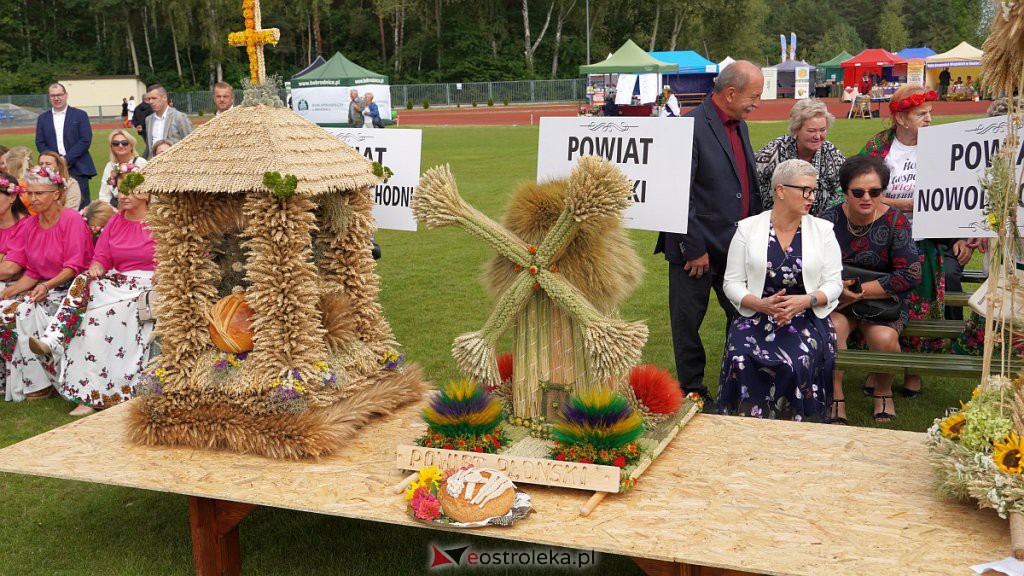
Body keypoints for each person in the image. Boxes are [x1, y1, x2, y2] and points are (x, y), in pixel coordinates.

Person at [654, 60, 764, 404]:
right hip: (696, 250)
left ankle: (740, 382)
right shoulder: (688, 126)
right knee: (688, 324)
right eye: (754, 96)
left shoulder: (740, 125)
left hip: (736, 246)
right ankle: (692, 390)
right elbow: (676, 191)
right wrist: (694, 247)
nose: (757, 103)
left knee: (744, 316)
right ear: (730, 93)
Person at [719, 159, 842, 421]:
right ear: (781, 190)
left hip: (805, 316)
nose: (811, 197)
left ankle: (794, 428)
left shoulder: (823, 231)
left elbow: (834, 284)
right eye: (805, 190)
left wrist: (805, 301)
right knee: (740, 357)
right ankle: (742, 426)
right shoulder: (747, 229)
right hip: (757, 314)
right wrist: (760, 304)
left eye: (814, 190)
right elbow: (731, 282)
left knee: (795, 362)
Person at [30, 165, 155, 416]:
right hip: (115, 281)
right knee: (83, 281)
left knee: (92, 321)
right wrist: (97, 266)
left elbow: (169, 260)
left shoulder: (159, 223)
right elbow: (101, 257)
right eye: (120, 190)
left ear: (146, 193)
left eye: (131, 190)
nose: (124, 196)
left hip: (144, 286)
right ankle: (55, 341)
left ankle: (92, 394)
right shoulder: (116, 222)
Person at [820, 155, 922, 424]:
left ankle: (883, 391)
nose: (867, 198)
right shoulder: (828, 220)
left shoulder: (895, 221)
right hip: (839, 300)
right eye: (858, 192)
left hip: (881, 301)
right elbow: (812, 265)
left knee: (884, 340)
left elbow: (911, 273)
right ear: (845, 192)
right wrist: (837, 290)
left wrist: (859, 290)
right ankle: (836, 395)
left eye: (875, 191)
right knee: (833, 332)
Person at [862, 84, 943, 397]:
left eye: (930, 113)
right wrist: (905, 205)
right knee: (881, 304)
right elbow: (863, 190)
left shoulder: (938, 144)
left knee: (920, 304)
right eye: (921, 114)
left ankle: (914, 372)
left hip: (923, 238)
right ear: (900, 117)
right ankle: (877, 366)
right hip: (883, 238)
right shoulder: (879, 146)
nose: (929, 119)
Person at [0, 166, 92, 402]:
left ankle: (44, 382)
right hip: (45, 287)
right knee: (7, 309)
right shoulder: (30, 225)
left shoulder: (71, 220)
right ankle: (34, 382)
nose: (33, 199)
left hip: (73, 288)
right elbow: (32, 270)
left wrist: (47, 286)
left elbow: (73, 266)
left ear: (57, 193)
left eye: (39, 193)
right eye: (30, 193)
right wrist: (10, 291)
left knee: (21, 311)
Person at [755, 98, 846, 216]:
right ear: (796, 130)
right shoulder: (775, 150)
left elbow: (844, 189)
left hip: (819, 224)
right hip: (776, 222)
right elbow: (750, 181)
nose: (818, 136)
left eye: (822, 130)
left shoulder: (831, 154)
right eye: (811, 131)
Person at [34, 83, 96, 209]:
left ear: (66, 95)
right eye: (53, 96)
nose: (56, 98)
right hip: (52, 170)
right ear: (49, 97)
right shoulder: (42, 118)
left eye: (59, 95)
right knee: (53, 205)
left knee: (81, 206)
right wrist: (53, 160)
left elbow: (85, 140)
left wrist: (65, 159)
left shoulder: (80, 115)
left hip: (78, 166)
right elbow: (40, 142)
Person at [97, 129, 147, 205]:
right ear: (112, 147)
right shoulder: (110, 166)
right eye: (115, 143)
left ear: (131, 145)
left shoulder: (141, 163)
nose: (120, 146)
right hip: (117, 206)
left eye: (125, 143)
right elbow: (104, 196)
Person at [144, 84, 193, 158]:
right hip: (155, 165)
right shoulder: (148, 120)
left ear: (164, 98)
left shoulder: (179, 117)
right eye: (149, 99)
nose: (151, 101)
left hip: (175, 164)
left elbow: (191, 142)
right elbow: (149, 145)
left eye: (154, 98)